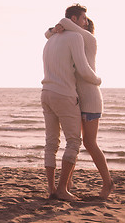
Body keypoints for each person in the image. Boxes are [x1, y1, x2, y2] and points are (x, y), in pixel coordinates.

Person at [45, 15, 114, 199]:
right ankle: (67, 184)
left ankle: (108, 182)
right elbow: (50, 33)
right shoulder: (73, 42)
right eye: (82, 19)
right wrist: (53, 30)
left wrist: (59, 25)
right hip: (76, 97)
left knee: (89, 143)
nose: (83, 23)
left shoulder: (89, 40)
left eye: (85, 22)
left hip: (90, 97)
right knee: (73, 139)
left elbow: (66, 24)